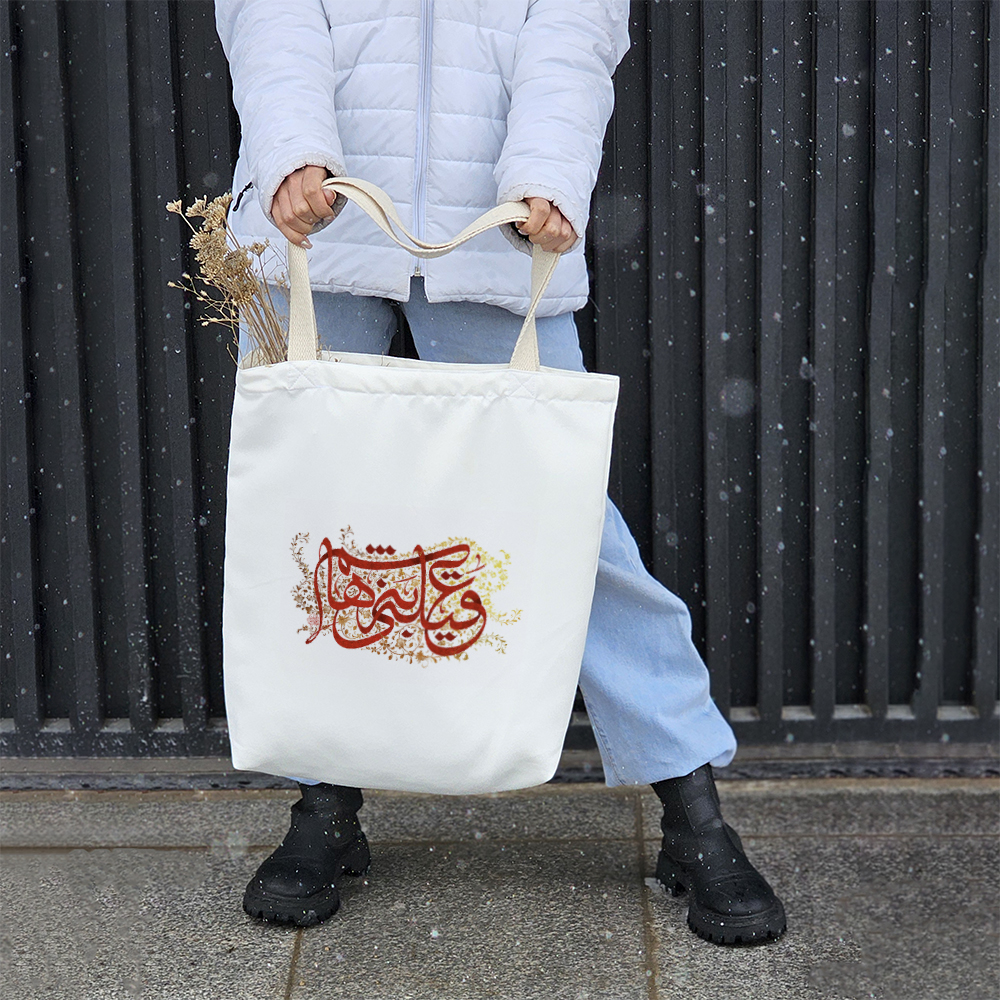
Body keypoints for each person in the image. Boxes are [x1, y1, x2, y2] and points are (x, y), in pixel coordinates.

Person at [215, 0, 786, 946]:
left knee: (567, 529)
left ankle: (693, 812)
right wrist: (291, 153)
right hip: (316, 228)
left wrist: (548, 174)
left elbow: (573, 27)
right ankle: (323, 803)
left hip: (495, 232)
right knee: (313, 534)